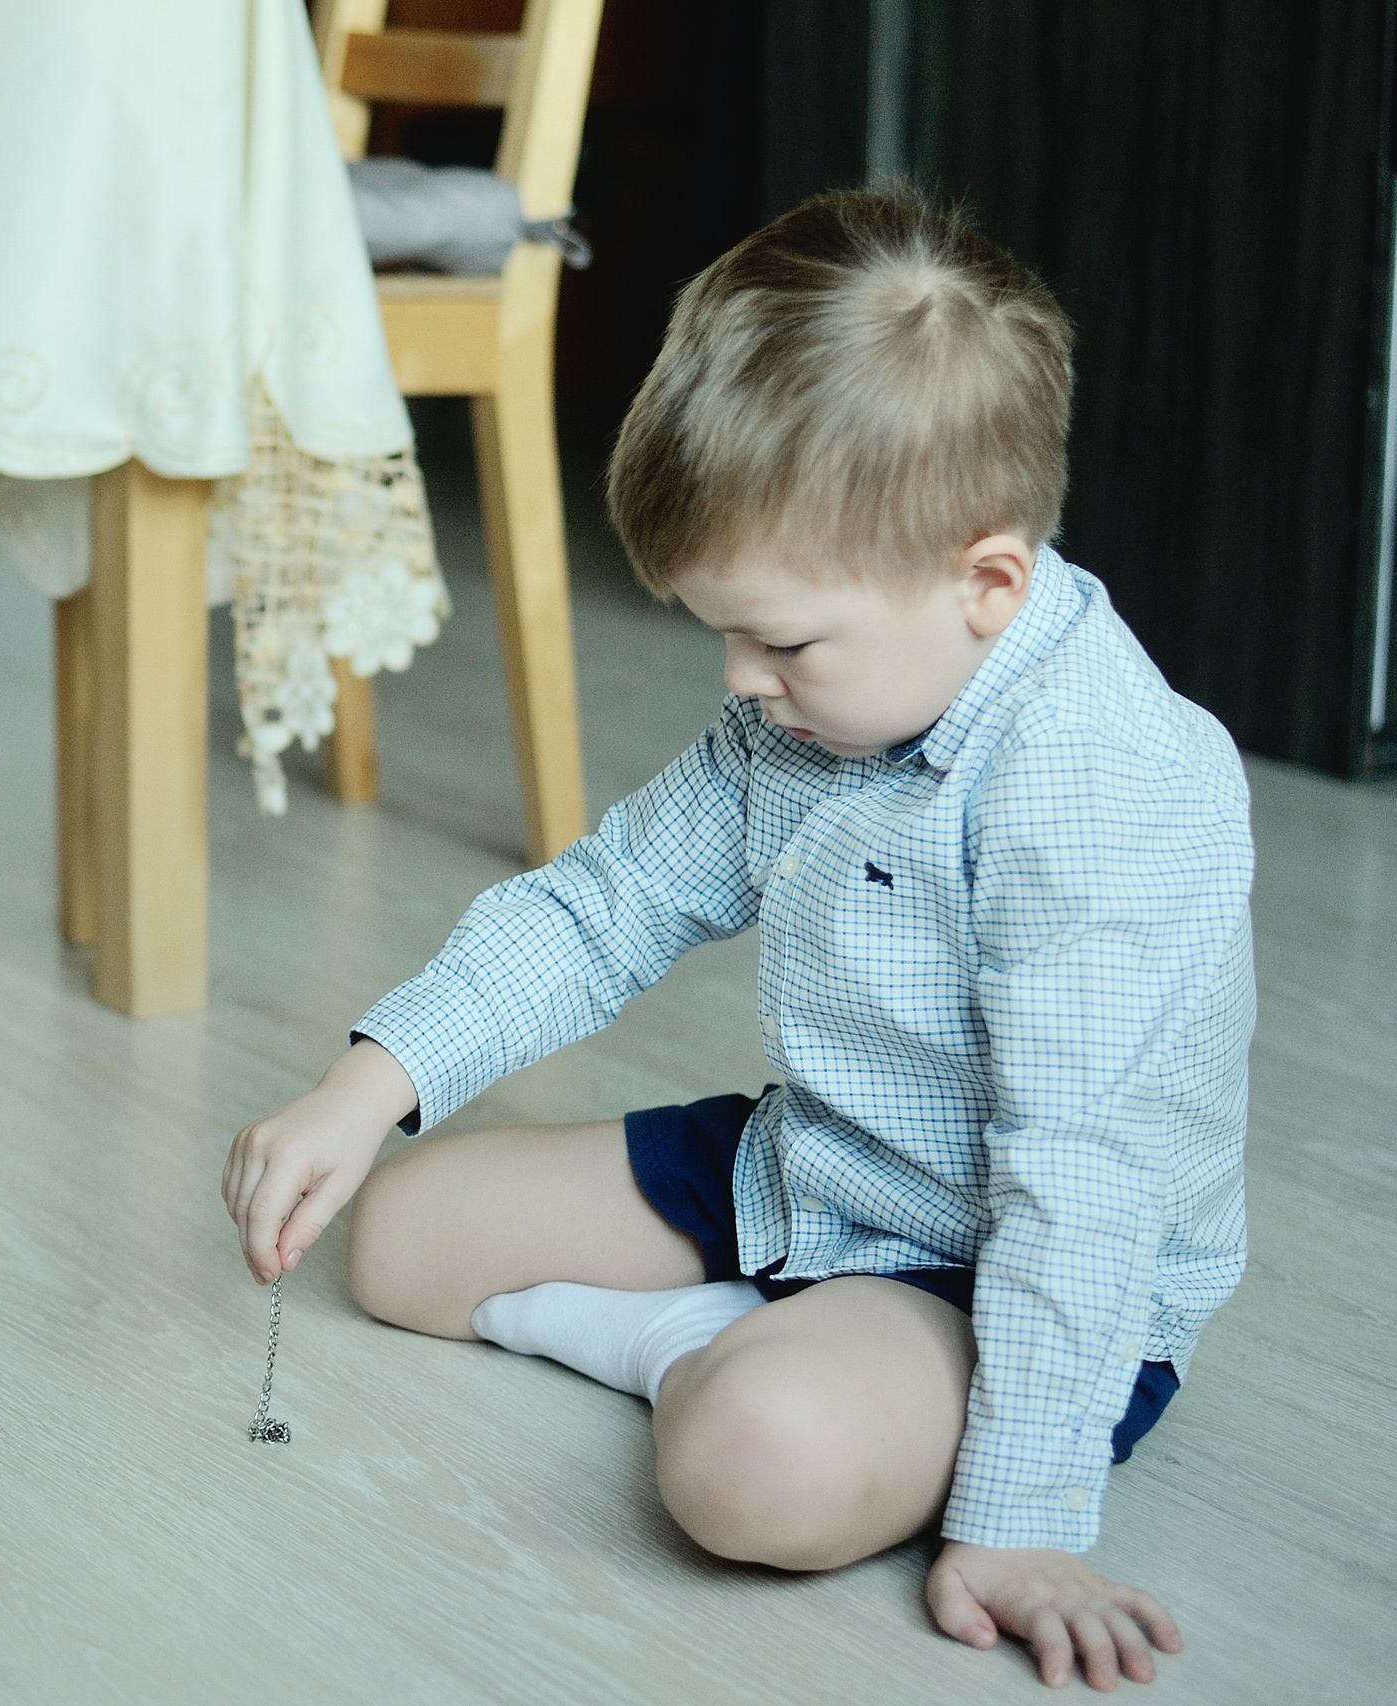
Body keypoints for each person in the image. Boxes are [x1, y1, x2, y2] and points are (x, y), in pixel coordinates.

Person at [222, 187, 1251, 1692]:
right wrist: (365, 1081)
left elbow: (1082, 1182)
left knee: (749, 1469)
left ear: (988, 584)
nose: (741, 679)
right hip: (819, 1163)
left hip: (1004, 1263)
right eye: (722, 630)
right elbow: (606, 903)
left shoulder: (1105, 792)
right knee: (391, 1237)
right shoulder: (810, 713)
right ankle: (734, 1330)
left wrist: (1023, 1517)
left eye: (782, 641)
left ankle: (724, 1363)